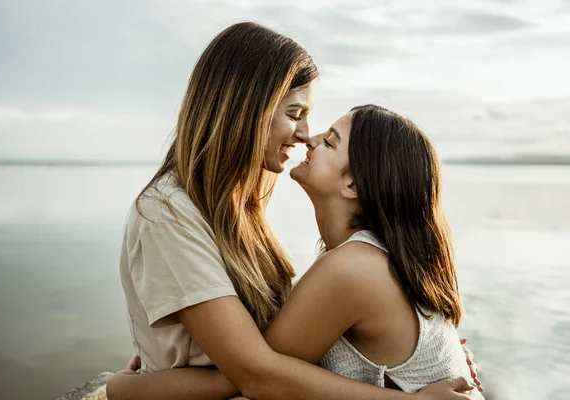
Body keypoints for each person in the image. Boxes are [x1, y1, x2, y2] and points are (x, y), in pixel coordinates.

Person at [106, 22, 480, 400]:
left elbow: (259, 372)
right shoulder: (168, 213)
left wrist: (128, 389)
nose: (306, 134)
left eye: (323, 134)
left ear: (353, 186)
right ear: (246, 111)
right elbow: (255, 370)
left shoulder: (248, 208)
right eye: (295, 113)